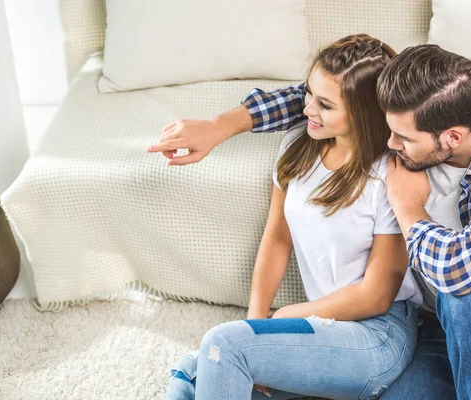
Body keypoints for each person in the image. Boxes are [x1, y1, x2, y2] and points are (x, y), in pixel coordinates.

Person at [150, 43, 471, 399]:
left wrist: (408, 206)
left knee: (464, 293)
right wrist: (219, 126)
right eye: (387, 127)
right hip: (437, 334)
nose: (389, 144)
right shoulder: (420, 120)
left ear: (450, 138)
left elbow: (460, 272)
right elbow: (326, 94)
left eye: (402, 138)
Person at [163, 34, 422, 399]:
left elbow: (377, 295)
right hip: (319, 325)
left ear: (363, 111)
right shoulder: (296, 146)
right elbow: (277, 238)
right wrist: (254, 324)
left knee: (224, 347)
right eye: (309, 95)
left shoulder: (389, 175)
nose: (307, 109)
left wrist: (287, 316)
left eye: (325, 105)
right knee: (189, 377)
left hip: (377, 334)